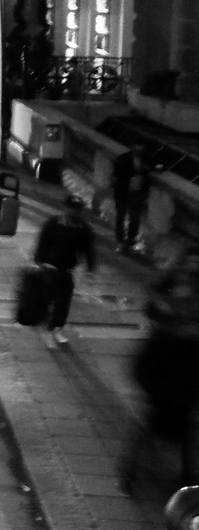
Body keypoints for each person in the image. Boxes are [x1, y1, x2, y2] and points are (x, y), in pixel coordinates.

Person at [121, 245, 199, 493]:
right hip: (165, 361)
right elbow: (152, 304)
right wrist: (163, 307)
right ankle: (129, 471)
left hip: (189, 363)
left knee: (185, 426)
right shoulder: (171, 283)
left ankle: (187, 479)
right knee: (150, 422)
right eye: (191, 261)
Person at [32, 193, 96, 346]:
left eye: (78, 209)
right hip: (49, 267)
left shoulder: (84, 229)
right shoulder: (53, 223)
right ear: (66, 208)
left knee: (63, 302)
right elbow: (43, 241)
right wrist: (38, 260)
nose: (74, 212)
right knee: (47, 298)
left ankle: (56, 328)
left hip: (67, 270)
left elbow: (88, 250)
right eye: (72, 208)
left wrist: (90, 269)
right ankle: (44, 324)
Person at [112, 146, 152, 254]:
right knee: (120, 217)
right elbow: (117, 174)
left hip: (137, 194)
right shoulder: (123, 159)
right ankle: (121, 241)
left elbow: (150, 171)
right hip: (123, 193)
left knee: (134, 219)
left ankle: (130, 242)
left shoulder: (145, 159)